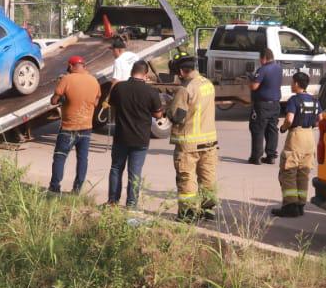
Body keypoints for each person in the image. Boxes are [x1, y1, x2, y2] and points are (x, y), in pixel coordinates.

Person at [107, 60, 164, 208]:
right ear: (145, 75)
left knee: (116, 168)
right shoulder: (151, 92)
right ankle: (131, 204)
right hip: (140, 138)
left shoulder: (119, 88)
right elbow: (158, 115)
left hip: (121, 136)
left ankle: (112, 201)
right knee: (135, 172)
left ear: (131, 71)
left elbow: (112, 106)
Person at [168, 54, 218, 221]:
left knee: (186, 177)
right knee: (207, 176)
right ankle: (208, 210)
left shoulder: (185, 88)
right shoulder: (207, 84)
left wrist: (169, 104)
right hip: (209, 141)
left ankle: (188, 213)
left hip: (189, 142)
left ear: (182, 71)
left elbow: (177, 115)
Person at [271, 71, 320, 217]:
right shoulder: (315, 101)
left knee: (289, 172)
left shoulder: (294, 100)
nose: (291, 85)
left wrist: (283, 128)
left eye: (292, 82)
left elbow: (290, 119)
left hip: (296, 137)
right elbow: (320, 119)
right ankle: (300, 205)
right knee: (303, 173)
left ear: (297, 84)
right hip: (310, 137)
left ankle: (290, 206)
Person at [49, 55, 101, 194]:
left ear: (71, 66)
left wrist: (63, 97)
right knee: (82, 159)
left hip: (68, 127)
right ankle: (77, 189)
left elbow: (54, 101)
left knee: (60, 156)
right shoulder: (94, 81)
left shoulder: (67, 79)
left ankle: (55, 188)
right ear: (84, 66)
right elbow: (96, 102)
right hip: (86, 127)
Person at [248, 48, 282, 164]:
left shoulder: (262, 69)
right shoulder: (278, 68)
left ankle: (256, 157)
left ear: (264, 58)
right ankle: (271, 156)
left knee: (258, 129)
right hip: (275, 104)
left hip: (262, 105)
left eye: (260, 59)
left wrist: (251, 79)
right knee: (272, 130)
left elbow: (254, 86)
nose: (260, 61)